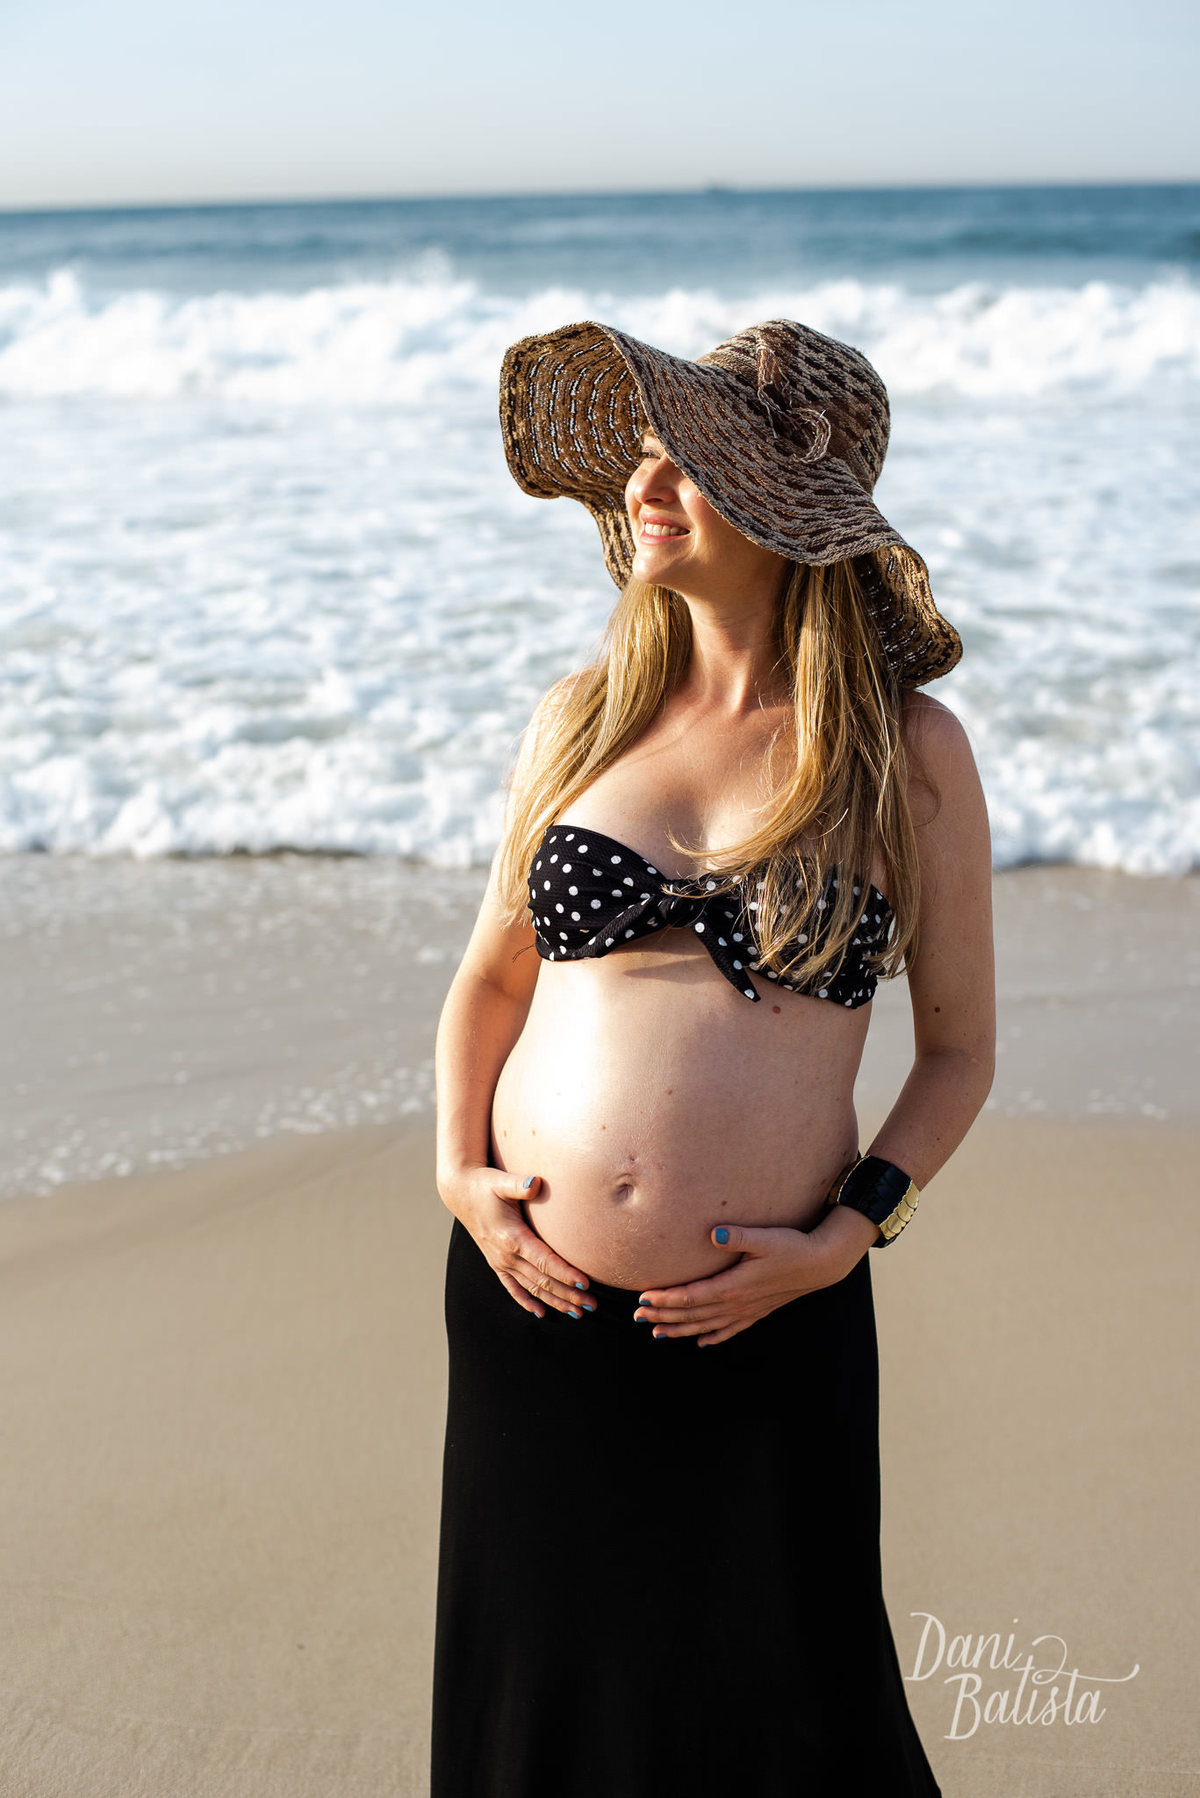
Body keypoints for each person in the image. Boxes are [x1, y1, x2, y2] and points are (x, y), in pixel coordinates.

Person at [431, 317, 995, 1798]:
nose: (647, 486)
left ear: (784, 511)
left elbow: (959, 1053)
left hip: (769, 1312)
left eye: (691, 463)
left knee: (787, 1707)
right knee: (539, 1705)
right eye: (646, 460)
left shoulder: (902, 749)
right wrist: (458, 1174)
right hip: (526, 1305)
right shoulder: (585, 716)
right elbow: (488, 982)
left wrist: (847, 1234)